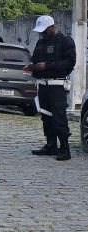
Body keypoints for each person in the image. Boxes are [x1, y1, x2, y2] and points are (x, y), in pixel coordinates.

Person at [24, 16, 76, 161]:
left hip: (57, 85)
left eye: (44, 31)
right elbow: (35, 58)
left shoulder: (65, 41)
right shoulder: (41, 42)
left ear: (52, 27)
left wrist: (48, 66)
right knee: (46, 116)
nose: (42, 34)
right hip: (42, 84)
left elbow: (69, 63)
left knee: (59, 117)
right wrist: (31, 65)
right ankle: (51, 145)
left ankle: (65, 148)